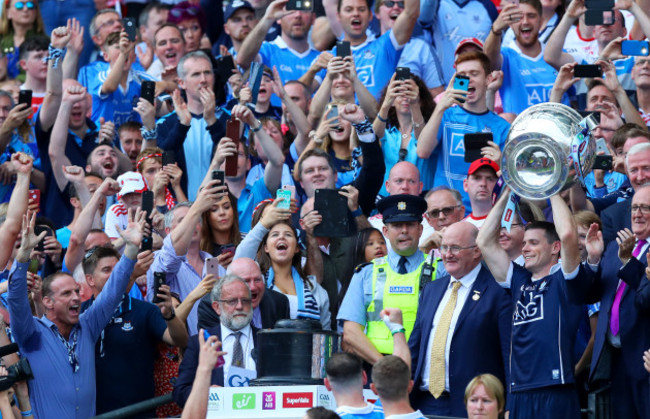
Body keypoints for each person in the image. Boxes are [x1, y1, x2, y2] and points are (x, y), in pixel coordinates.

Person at [8, 204, 145, 419]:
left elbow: (112, 292)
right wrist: (24, 255)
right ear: (47, 302)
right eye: (65, 294)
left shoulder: (87, 325)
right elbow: (16, 301)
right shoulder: (31, 334)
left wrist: (130, 250)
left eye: (76, 291)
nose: (75, 298)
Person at [477, 187, 586, 418]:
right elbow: (484, 241)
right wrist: (508, 191)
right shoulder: (519, 280)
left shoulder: (565, 279)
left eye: (533, 243)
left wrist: (553, 188)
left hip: (554, 389)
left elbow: (567, 234)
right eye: (524, 243)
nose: (525, 248)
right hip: (518, 391)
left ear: (555, 248)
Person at [408, 221, 510, 417]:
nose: (447, 254)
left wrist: (510, 406)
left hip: (471, 407)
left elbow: (508, 355)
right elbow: (415, 347)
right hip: (423, 403)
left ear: (477, 251)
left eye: (455, 248)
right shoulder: (431, 289)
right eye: (444, 247)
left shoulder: (498, 292)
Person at [81, 245, 188, 417]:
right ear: (90, 279)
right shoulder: (80, 315)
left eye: (118, 269)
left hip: (140, 413)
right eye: (107, 270)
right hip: (95, 414)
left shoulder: (145, 310)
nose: (115, 274)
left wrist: (169, 315)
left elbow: (180, 340)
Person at [571, 185, 650, 418]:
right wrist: (593, 259)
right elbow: (586, 295)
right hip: (616, 361)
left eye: (645, 208)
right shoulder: (616, 246)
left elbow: (646, 300)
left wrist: (629, 263)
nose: (637, 213)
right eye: (634, 207)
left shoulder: (626, 252)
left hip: (645, 361)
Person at [338, 194, 427, 364]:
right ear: (385, 231)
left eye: (410, 224)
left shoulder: (441, 270)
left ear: (420, 229)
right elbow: (350, 332)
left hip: (424, 366)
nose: (404, 231)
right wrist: (385, 367)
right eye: (397, 225)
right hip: (377, 366)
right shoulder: (366, 273)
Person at [417, 51, 510, 211]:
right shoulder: (445, 115)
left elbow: (508, 183)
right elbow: (422, 151)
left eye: (474, 73)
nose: (468, 79)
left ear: (488, 79)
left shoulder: (502, 127)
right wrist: (440, 107)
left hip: (482, 213)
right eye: (462, 75)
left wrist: (499, 163)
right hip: (444, 212)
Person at [146, 178, 225, 335]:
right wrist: (197, 209)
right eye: (183, 221)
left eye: (196, 220)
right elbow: (169, 260)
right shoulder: (158, 259)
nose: (192, 225)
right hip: (180, 349)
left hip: (216, 347)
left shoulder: (213, 263)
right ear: (168, 232)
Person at [173, 275, 258, 407]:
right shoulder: (200, 343)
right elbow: (180, 392)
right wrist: (206, 394)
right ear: (217, 307)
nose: (240, 306)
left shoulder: (267, 340)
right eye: (232, 301)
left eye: (245, 300)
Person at [156, 51, 224, 200]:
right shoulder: (165, 124)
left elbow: (232, 160)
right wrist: (183, 125)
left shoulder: (227, 118)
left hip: (220, 210)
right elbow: (161, 161)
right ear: (181, 83)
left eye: (207, 73)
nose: (204, 79)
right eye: (196, 75)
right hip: (180, 211)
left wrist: (212, 120)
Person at [485, 0, 570, 114]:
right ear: (510, 24)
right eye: (519, 17)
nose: (525, 22)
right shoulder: (506, 55)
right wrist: (496, 30)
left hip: (557, 129)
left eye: (531, 16)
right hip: (520, 130)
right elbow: (487, 63)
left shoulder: (557, 56)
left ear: (541, 21)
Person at [258, 220, 331, 329]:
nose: (281, 237)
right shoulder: (257, 285)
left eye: (288, 235)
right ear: (266, 248)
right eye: (275, 234)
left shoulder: (316, 290)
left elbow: (324, 336)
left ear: (297, 248)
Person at [374, 74, 436, 193]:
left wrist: (415, 105)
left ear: (421, 101)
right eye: (399, 93)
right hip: (386, 204)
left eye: (410, 93)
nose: (405, 97)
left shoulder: (431, 132)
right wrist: (386, 104)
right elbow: (370, 140)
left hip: (421, 204)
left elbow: (423, 141)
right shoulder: (386, 134)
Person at [236, 0, 320, 84]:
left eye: (304, 10)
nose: (298, 15)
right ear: (279, 18)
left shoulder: (321, 59)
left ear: (313, 18)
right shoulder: (266, 50)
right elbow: (242, 60)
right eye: (291, 9)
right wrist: (268, 18)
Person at [196, 257, 290, 330]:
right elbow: (213, 348)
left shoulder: (279, 302)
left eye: (257, 280)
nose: (253, 287)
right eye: (246, 281)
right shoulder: (210, 306)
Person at [179, 326, 226, 419]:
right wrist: (206, 393)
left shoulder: (262, 339)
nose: (239, 309)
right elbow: (180, 392)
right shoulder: (198, 343)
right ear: (217, 310)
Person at [0, 0, 46, 79]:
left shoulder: (46, 42)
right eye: (19, 5)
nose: (25, 9)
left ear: (36, 11)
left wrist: (16, 83)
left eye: (30, 5)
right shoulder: (1, 40)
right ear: (8, 12)